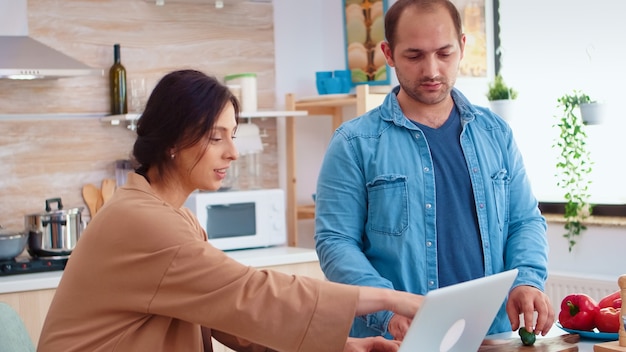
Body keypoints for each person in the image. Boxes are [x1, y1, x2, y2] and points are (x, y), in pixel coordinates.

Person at [37, 69, 425, 352]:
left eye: (232, 136)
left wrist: (343, 347)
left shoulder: (174, 216)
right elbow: (253, 294)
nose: (232, 152)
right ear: (172, 140)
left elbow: (228, 316)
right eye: (215, 137)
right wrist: (394, 299)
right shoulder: (143, 221)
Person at [314, 0, 555, 342]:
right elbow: (335, 242)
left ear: (462, 47)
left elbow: (524, 221)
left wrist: (527, 280)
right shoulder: (354, 143)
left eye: (444, 53)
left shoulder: (496, 133)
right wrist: (389, 310)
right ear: (388, 53)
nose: (431, 70)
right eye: (414, 56)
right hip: (395, 340)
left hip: (492, 335)